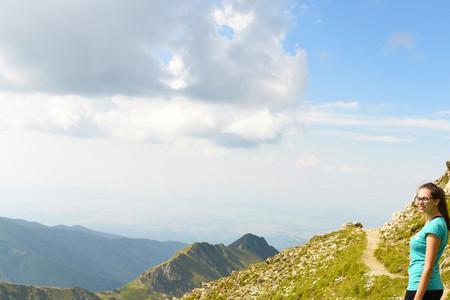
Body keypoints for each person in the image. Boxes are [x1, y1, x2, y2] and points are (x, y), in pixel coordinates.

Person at [405, 182, 450, 300]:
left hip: (424, 288)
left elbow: (428, 266)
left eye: (425, 199)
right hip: (423, 286)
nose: (420, 202)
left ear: (436, 201)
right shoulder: (432, 222)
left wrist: (418, 298)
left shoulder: (435, 225)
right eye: (418, 198)